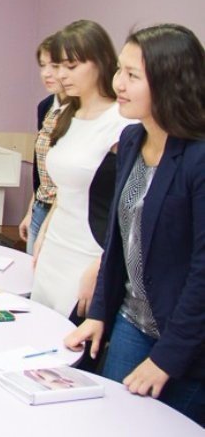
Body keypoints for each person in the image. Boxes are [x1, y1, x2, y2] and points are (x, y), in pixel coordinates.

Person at [65, 24, 204, 425]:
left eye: (132, 75)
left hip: (188, 340)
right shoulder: (130, 140)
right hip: (132, 319)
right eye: (119, 70)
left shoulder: (197, 158)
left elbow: (203, 272)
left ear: (170, 82)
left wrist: (166, 359)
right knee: (112, 423)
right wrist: (98, 313)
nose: (118, 84)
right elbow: (118, 238)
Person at [31, 20, 135, 322]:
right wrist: (43, 234)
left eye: (71, 66)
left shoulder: (122, 122)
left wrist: (102, 265)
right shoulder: (66, 113)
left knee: (70, 339)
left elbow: (128, 209)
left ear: (101, 62)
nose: (61, 75)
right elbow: (64, 189)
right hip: (54, 246)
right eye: (58, 66)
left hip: (89, 254)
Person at [18, 34, 65, 255]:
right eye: (43, 65)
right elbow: (41, 167)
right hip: (41, 206)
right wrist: (31, 211)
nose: (46, 73)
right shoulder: (45, 106)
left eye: (54, 66)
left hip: (64, 213)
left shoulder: (82, 112)